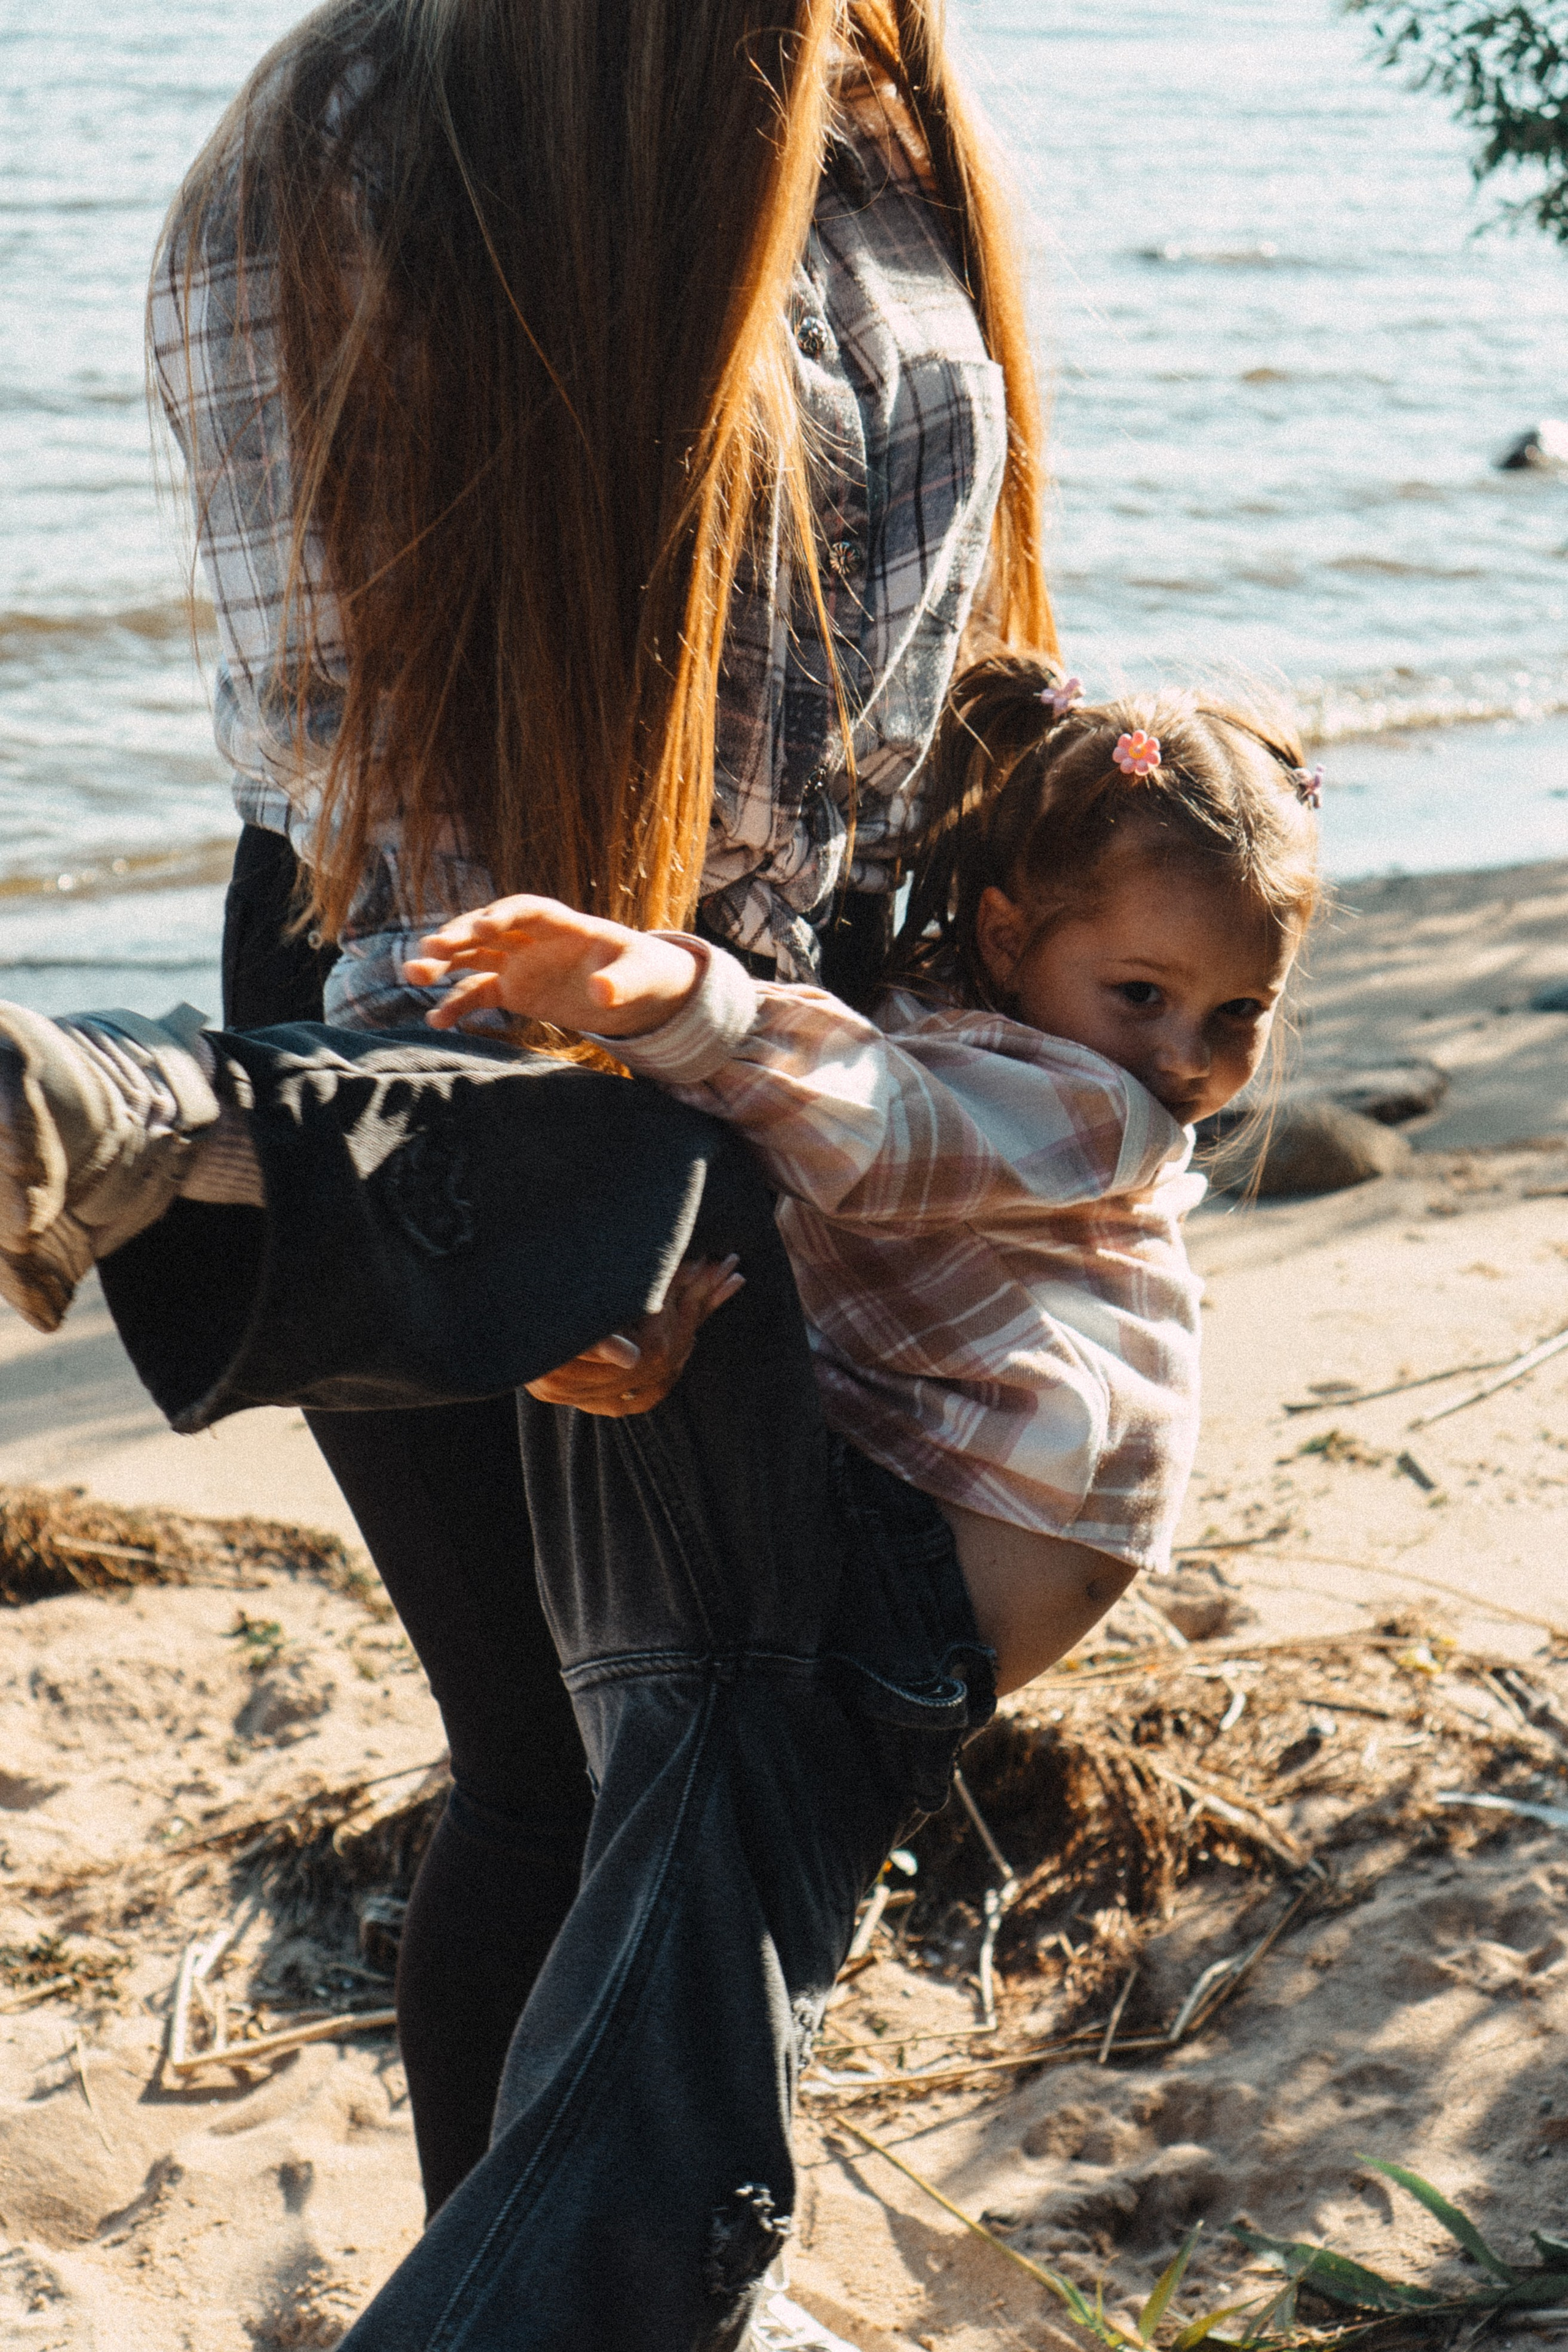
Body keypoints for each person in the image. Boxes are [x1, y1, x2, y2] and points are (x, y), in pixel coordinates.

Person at [124, 0, 1054, 2252]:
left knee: (716, 1754)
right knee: (571, 1762)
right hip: (446, 994)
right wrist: (508, 1188)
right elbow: (353, 743)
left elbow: (893, 672)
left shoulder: (860, 82)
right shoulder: (350, 128)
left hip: (774, 1002)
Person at [404, 659, 1324, 1689]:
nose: (1190, 1057)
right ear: (1006, 937)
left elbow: (886, 1138)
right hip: (903, 1543)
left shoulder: (1106, 1114)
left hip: (918, 1584)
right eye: (1144, 993)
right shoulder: (945, 1022)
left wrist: (672, 999)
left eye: (1240, 1012)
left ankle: (236, 1141)